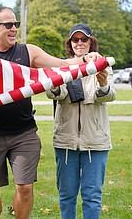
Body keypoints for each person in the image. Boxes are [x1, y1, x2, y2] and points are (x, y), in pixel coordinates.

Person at [0, 7, 101, 219]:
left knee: (25, 187)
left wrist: (87, 59)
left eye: (16, 24)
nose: (14, 29)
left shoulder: (28, 51)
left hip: (23, 134)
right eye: (8, 25)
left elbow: (62, 65)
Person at [46, 23, 116, 219]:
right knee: (66, 195)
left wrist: (102, 83)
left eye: (83, 39)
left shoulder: (102, 65)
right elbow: (54, 94)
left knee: (92, 196)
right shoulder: (61, 66)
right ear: (70, 44)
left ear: (91, 41)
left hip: (96, 141)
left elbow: (108, 96)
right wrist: (55, 82)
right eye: (75, 40)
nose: (79, 43)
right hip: (65, 141)